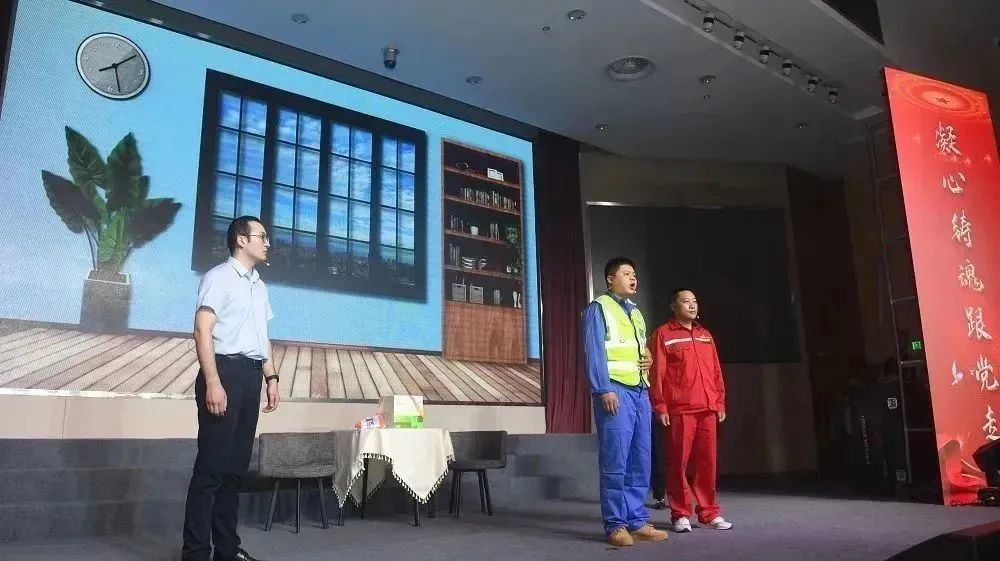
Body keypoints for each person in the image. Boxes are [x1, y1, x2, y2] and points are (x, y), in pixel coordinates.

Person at [182, 216, 281, 561]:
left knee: (234, 472)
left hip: (250, 378)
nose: (267, 243)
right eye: (262, 236)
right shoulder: (218, 277)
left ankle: (226, 550)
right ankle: (196, 554)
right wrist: (213, 381)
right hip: (223, 373)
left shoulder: (259, 286)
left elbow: (262, 338)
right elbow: (202, 330)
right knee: (211, 471)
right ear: (241, 240)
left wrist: (271, 378)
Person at [582, 257, 669, 547]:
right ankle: (615, 524)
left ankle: (637, 520)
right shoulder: (598, 308)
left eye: (635, 274)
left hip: (640, 391)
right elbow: (594, 351)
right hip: (615, 390)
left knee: (640, 459)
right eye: (627, 273)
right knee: (615, 460)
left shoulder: (636, 312)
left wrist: (649, 359)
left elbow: (639, 349)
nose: (633, 278)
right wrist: (603, 388)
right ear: (610, 278)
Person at [649, 288, 733, 532]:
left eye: (694, 301)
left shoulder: (705, 335)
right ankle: (680, 514)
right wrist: (660, 406)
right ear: (673, 307)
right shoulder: (663, 334)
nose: (692, 305)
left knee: (707, 463)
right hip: (680, 410)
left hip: (707, 408)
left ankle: (709, 513)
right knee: (678, 463)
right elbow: (657, 374)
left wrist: (719, 402)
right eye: (686, 301)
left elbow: (716, 371)